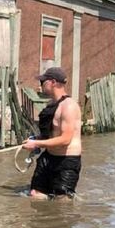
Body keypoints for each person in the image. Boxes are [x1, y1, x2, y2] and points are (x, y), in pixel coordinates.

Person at [21, 67, 82, 200]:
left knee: (62, 201)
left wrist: (37, 143)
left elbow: (65, 139)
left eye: (43, 82)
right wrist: (35, 139)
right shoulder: (52, 105)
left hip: (66, 161)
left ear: (53, 82)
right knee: (34, 194)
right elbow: (52, 133)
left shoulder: (69, 106)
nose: (40, 85)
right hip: (49, 157)